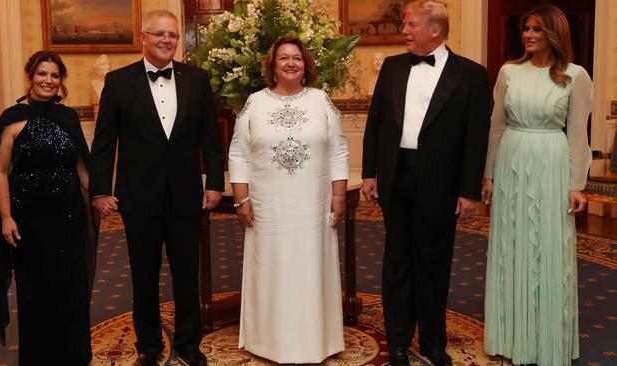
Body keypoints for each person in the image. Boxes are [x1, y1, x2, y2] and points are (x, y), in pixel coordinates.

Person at [88, 9, 224, 366]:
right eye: (160, 34)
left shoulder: (198, 79)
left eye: (173, 36)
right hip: (138, 196)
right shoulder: (118, 82)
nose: (167, 41)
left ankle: (188, 343)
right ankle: (149, 345)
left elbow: (211, 136)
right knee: (144, 274)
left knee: (186, 273)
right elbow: (104, 142)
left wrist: (215, 181)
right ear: (143, 37)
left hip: (185, 194)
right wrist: (100, 190)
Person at [361, 1, 490, 365]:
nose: (404, 30)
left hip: (441, 183)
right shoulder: (391, 67)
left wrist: (468, 191)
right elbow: (376, 125)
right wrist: (370, 172)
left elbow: (475, 139)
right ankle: (399, 341)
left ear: (435, 30)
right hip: (396, 175)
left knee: (434, 262)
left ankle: (434, 343)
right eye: (404, 23)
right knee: (397, 260)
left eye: (411, 24)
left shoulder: (471, 75)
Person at [482, 5, 593, 366]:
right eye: (526, 29)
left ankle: (547, 341)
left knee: (549, 248)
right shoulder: (508, 72)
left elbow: (577, 134)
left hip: (552, 163)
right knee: (510, 247)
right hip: (511, 161)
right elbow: (496, 127)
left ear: (554, 35)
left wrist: (577, 184)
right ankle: (511, 337)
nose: (528, 35)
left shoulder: (576, 76)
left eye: (537, 30)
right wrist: (488, 174)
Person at [229, 36, 349, 363]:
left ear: (305, 64)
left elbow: (339, 149)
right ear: (272, 65)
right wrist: (241, 198)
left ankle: (316, 341)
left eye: (296, 57)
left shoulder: (321, 100)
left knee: (310, 267)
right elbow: (238, 152)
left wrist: (339, 195)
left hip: (313, 205)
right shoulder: (255, 102)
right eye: (284, 58)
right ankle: (268, 341)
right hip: (268, 206)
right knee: (273, 267)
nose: (291, 63)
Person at [0, 50, 98, 365]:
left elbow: (82, 170)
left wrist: (101, 197)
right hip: (29, 221)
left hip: (68, 218)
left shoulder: (68, 117)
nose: (48, 80)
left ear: (61, 80)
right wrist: (6, 217)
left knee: (70, 288)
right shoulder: (11, 118)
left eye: (54, 75)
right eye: (42, 74)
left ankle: (74, 355)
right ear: (30, 76)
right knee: (36, 292)